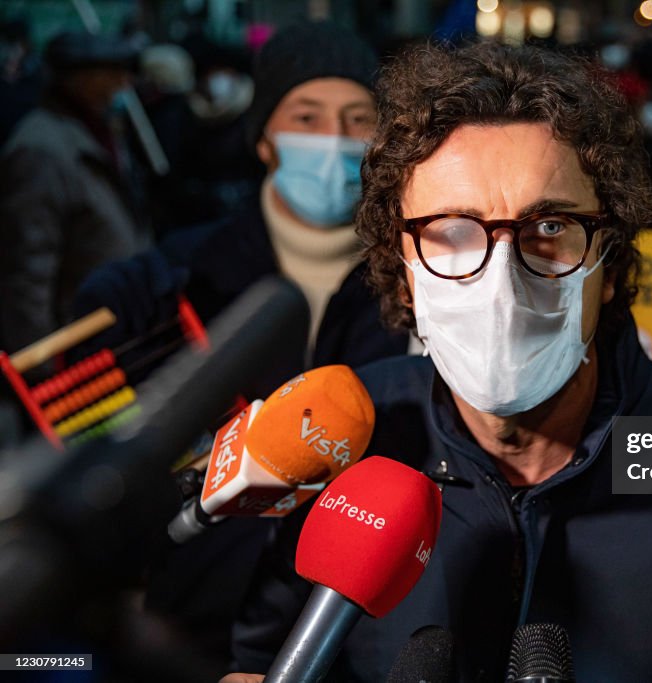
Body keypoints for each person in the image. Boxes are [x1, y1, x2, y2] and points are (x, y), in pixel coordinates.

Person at [224, 41, 652, 682]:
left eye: (548, 229)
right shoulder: (341, 443)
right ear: (402, 275)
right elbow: (263, 648)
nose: (502, 279)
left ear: (609, 263)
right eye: (452, 232)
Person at [73, 21, 407, 667]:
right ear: (263, 139)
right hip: (183, 629)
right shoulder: (165, 282)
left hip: (351, 637)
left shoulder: (425, 285)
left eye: (357, 117)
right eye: (305, 116)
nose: (333, 139)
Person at [0, 31, 145, 355]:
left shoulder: (101, 132)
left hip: (114, 332)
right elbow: (28, 269)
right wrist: (39, 362)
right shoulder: (40, 149)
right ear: (79, 79)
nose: (122, 83)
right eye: (110, 73)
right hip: (75, 343)